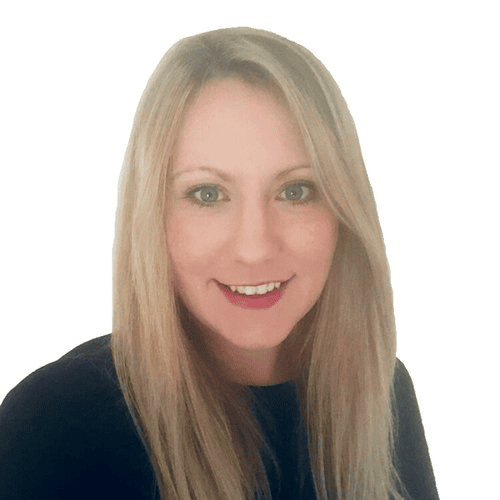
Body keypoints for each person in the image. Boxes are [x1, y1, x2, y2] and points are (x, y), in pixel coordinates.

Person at [0, 27, 439, 500]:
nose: (254, 248)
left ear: (344, 213)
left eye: (295, 191)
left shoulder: (380, 391)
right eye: (207, 194)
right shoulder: (53, 426)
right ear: (152, 216)